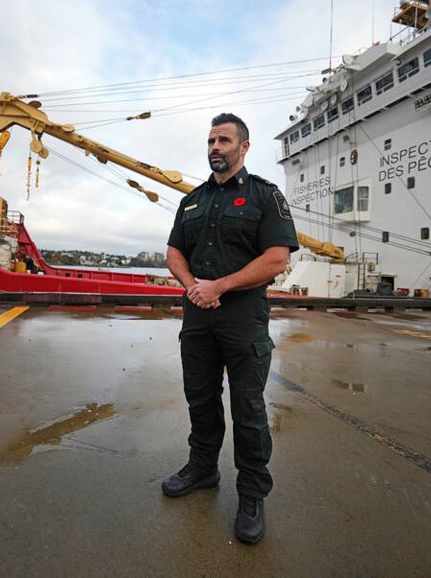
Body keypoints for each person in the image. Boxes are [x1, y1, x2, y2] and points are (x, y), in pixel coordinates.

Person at [163, 113, 298, 545]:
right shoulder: (192, 201)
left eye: (223, 140)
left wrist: (219, 286)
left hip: (243, 315)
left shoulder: (265, 196)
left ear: (244, 147)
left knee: (248, 408)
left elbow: (277, 259)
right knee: (200, 398)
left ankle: (252, 494)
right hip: (199, 316)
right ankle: (202, 469)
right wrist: (195, 289)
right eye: (209, 141)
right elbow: (172, 252)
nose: (214, 148)